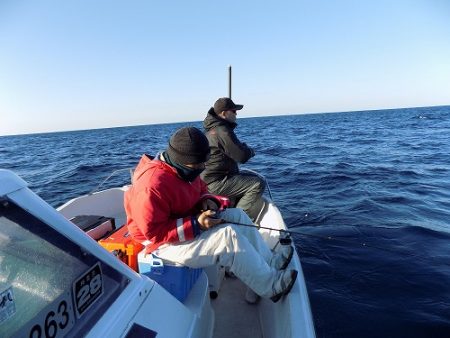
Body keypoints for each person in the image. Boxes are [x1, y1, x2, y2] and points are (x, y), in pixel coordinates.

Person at [124, 126, 297, 303]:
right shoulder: (151, 186)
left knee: (237, 215)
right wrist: (197, 224)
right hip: (158, 246)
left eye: (203, 162)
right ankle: (271, 286)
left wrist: (207, 201)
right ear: (181, 161)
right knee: (227, 237)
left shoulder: (184, 170)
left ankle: (269, 262)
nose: (202, 167)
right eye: (198, 164)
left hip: (182, 224)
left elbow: (200, 189)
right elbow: (155, 234)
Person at [202, 97, 267, 223]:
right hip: (216, 182)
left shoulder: (212, 129)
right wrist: (250, 151)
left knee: (247, 177)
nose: (236, 114)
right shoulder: (222, 130)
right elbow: (241, 156)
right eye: (234, 111)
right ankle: (239, 220)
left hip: (209, 180)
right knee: (258, 183)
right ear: (224, 113)